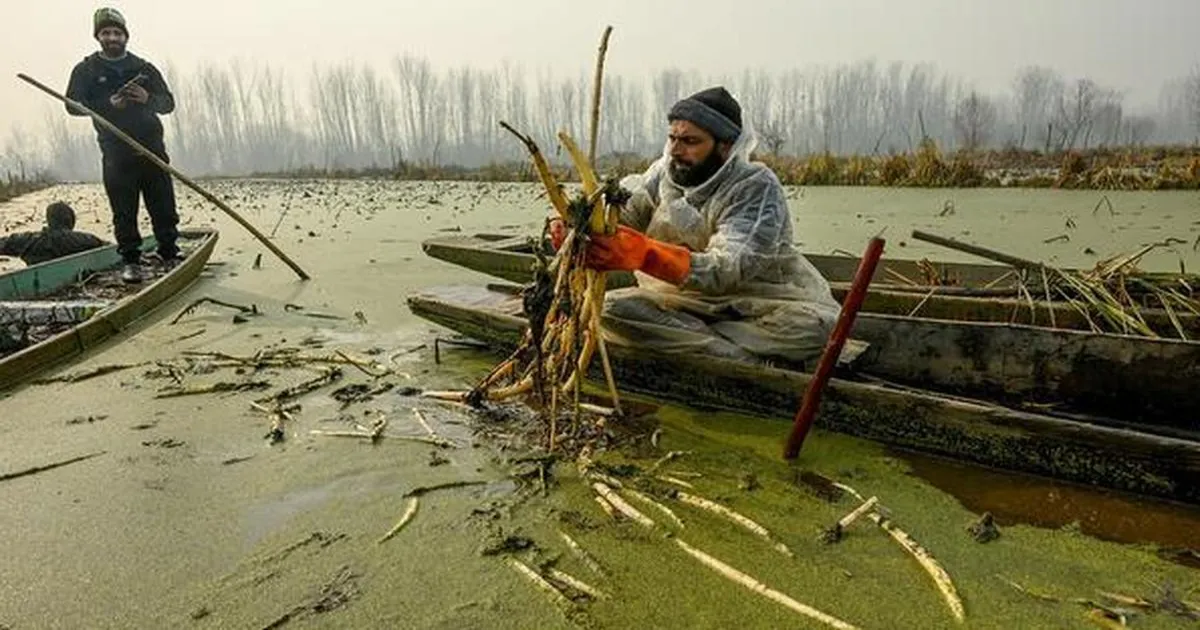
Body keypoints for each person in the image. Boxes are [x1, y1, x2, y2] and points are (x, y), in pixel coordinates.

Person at [552, 86, 841, 366]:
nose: (676, 150)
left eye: (690, 142)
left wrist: (646, 254)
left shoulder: (754, 186)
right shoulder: (661, 176)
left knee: (814, 329)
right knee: (607, 309)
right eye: (673, 138)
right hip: (679, 302)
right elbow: (619, 220)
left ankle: (707, 348)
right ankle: (737, 359)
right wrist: (580, 228)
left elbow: (728, 268)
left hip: (759, 303)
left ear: (725, 146)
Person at [65, 7, 180, 284]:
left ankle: (169, 253)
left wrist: (146, 98)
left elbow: (168, 103)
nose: (112, 37)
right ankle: (131, 261)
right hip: (116, 155)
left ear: (125, 36)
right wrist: (107, 106)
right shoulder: (86, 70)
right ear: (98, 37)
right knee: (124, 212)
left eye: (117, 33)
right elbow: (72, 105)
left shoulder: (144, 68)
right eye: (106, 33)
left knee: (163, 206)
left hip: (152, 150)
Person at [0, 202, 109, 266]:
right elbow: (110, 248)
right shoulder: (86, 240)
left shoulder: (26, 240)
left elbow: (3, 244)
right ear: (70, 221)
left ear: (48, 220)